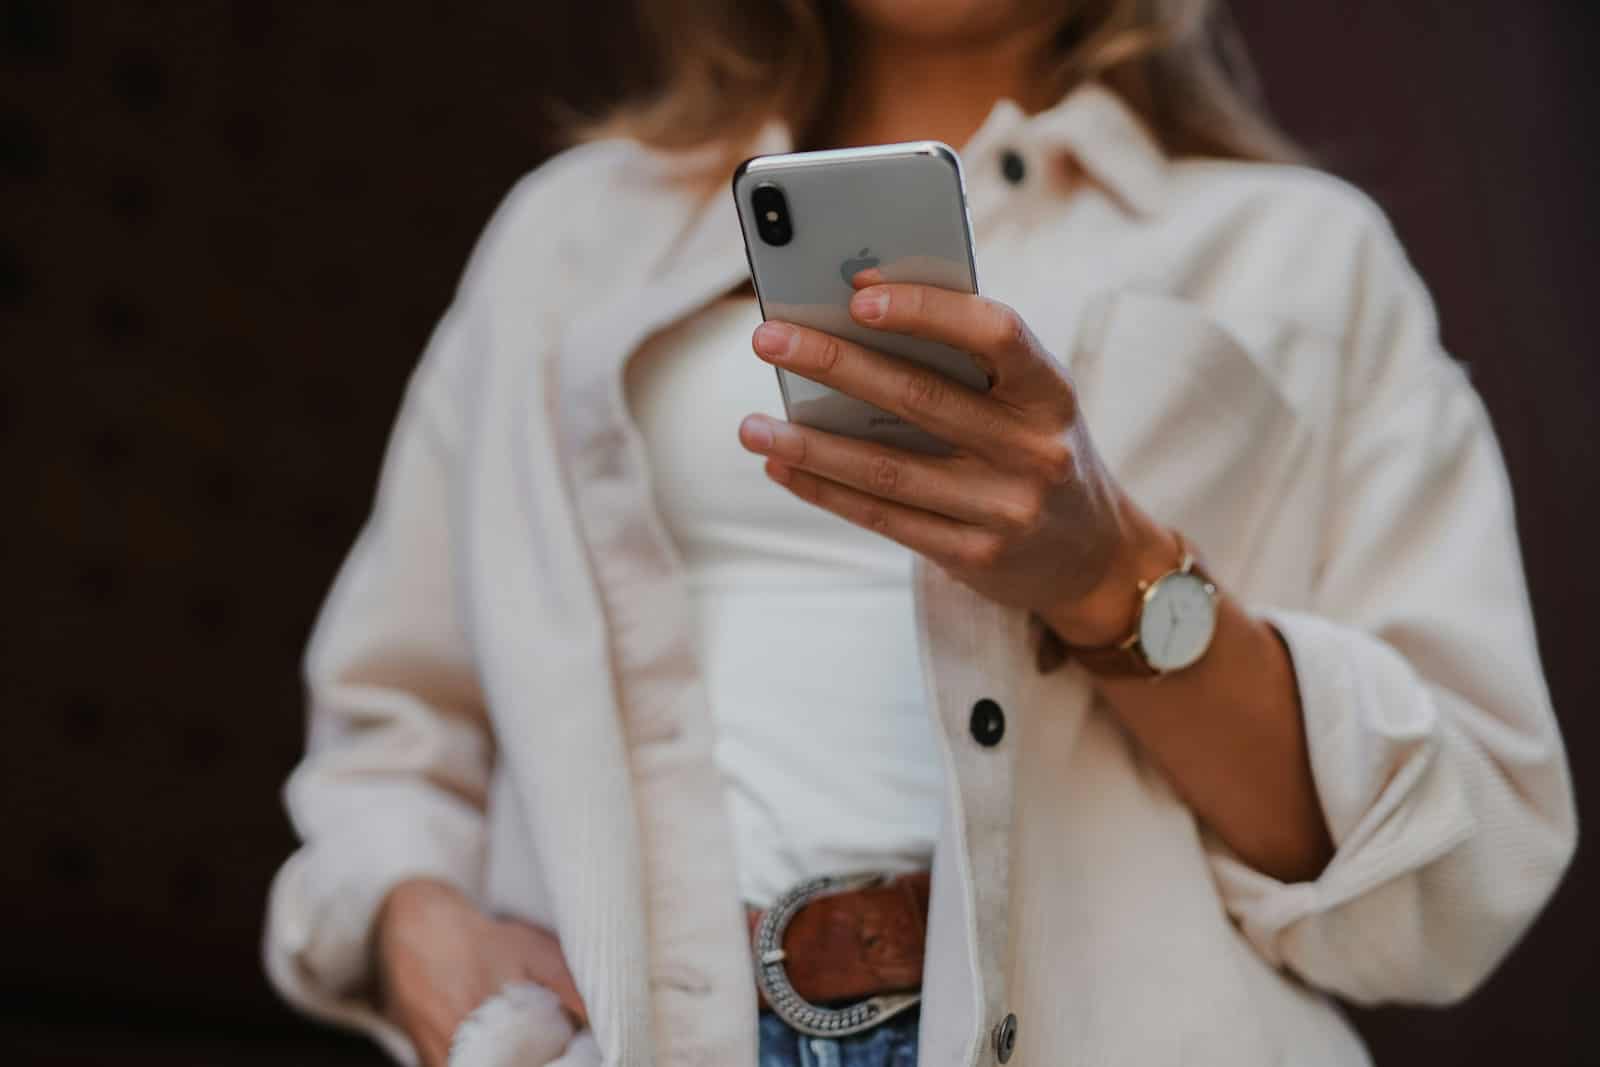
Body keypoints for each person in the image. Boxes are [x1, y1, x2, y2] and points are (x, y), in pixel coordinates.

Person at [264, 2, 1577, 1065]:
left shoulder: (1300, 254)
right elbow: (395, 715)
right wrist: (412, 926)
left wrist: (1108, 578)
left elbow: (1451, 875)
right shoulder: (568, 233)